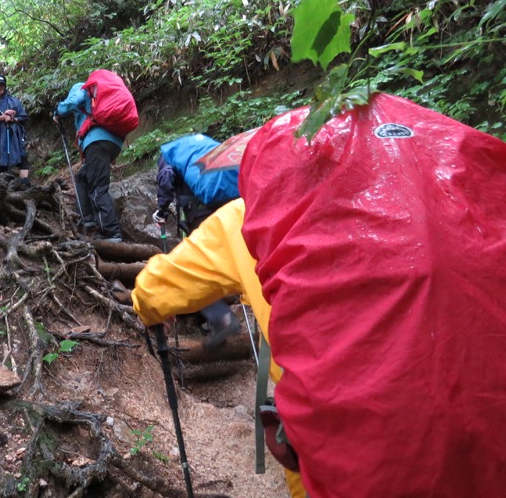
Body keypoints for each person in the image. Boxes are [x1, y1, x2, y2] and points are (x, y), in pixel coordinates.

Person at [132, 93, 506, 498]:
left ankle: (221, 318)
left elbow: (154, 290)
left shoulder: (237, 219)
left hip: (349, 464)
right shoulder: (453, 195)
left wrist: (146, 306)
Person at [155, 140, 240, 349]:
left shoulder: (169, 153)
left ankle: (221, 318)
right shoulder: (207, 146)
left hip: (201, 211)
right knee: (223, 261)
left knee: (199, 266)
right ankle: (211, 319)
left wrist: (162, 209)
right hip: (232, 205)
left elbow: (166, 177)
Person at [53, 82, 123, 242]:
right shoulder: (101, 93)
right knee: (83, 177)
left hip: (96, 140)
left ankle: (112, 233)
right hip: (112, 141)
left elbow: (72, 102)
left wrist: (58, 111)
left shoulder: (81, 87)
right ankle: (87, 218)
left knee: (98, 187)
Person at [0, 74, 30, 188]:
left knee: (22, 157)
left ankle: (25, 185)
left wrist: (13, 118)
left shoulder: (14, 101)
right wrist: (3, 117)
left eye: (2, 85)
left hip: (15, 135)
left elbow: (23, 117)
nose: (0, 87)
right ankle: (3, 187)